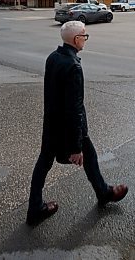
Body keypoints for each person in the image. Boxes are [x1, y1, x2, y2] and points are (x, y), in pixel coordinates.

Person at [26, 20, 128, 226]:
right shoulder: (73, 66)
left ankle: (36, 208)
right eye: (84, 36)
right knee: (85, 154)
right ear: (76, 39)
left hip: (51, 123)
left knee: (45, 163)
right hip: (69, 126)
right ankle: (103, 193)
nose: (86, 39)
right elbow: (74, 107)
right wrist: (75, 146)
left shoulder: (53, 57)